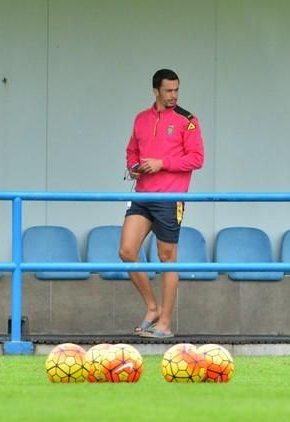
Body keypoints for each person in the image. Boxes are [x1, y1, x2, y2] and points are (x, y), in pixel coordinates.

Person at [119, 69, 204, 338]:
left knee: (167, 258)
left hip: (170, 197)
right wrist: (133, 166)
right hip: (143, 195)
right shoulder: (141, 119)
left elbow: (196, 159)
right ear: (155, 91)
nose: (173, 95)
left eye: (176, 90)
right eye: (168, 90)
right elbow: (132, 149)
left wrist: (162, 163)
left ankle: (165, 323)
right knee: (127, 251)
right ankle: (152, 307)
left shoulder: (187, 121)